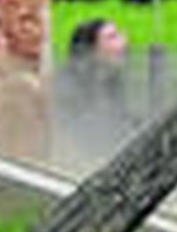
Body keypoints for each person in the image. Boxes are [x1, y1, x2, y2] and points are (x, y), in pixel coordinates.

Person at [52, 17, 135, 171]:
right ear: (90, 49)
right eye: (112, 37)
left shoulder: (111, 85)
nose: (125, 41)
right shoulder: (67, 88)